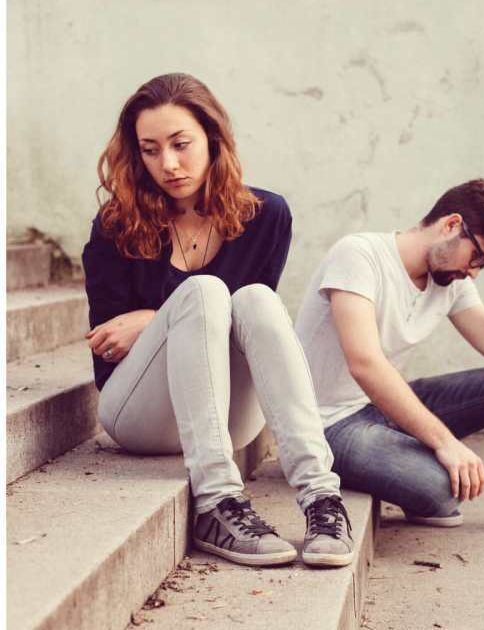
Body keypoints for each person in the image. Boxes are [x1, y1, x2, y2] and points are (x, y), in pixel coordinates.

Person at [83, 73, 352, 568]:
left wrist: (150, 318)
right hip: (138, 412)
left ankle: (321, 498)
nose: (167, 163)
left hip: (228, 414)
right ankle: (216, 502)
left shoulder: (266, 216)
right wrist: (172, 314)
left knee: (256, 300)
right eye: (149, 149)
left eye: (181, 144)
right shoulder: (117, 226)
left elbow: (250, 332)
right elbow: (108, 348)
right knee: (206, 291)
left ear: (212, 138)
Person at [294, 178, 484, 591]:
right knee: (441, 489)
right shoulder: (359, 254)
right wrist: (444, 442)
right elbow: (365, 364)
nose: (472, 272)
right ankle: (396, 466)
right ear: (452, 224)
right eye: (477, 258)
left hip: (380, 409)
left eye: (483, 265)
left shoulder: (449, 282)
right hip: (330, 425)